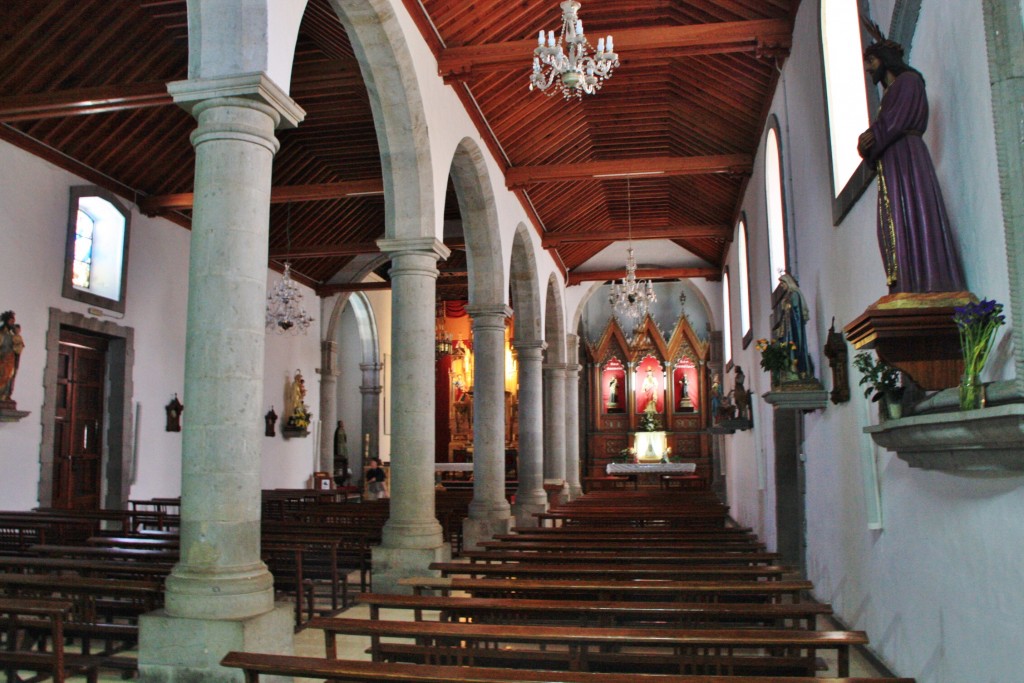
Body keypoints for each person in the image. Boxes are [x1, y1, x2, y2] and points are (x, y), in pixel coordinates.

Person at [856, 20, 965, 294]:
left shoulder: (909, 81)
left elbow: (896, 121)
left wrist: (873, 138)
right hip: (893, 161)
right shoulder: (890, 93)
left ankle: (925, 280)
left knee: (914, 212)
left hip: (906, 159)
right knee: (894, 220)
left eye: (870, 61)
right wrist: (867, 144)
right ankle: (906, 281)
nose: (868, 68)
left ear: (883, 59)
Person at [777, 273, 814, 379]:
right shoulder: (788, 295)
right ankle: (791, 370)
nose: (782, 286)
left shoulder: (794, 294)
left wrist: (787, 307)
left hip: (794, 327)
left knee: (796, 346)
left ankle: (798, 370)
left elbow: (796, 310)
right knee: (787, 347)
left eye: (783, 284)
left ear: (787, 283)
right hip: (788, 327)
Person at [0, 311, 24, 404]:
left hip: (10, 360)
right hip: (2, 360)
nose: (12, 323)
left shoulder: (12, 335)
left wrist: (17, 336)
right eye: (11, 321)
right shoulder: (1, 333)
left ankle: (5, 395)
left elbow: (18, 349)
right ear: (6, 321)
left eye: (13, 321)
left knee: (9, 377)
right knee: (3, 376)